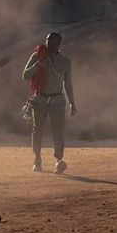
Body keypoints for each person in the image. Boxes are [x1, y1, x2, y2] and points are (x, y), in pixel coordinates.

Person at [21, 32, 76, 173]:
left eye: (53, 42)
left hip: (57, 100)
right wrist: (38, 66)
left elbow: (68, 84)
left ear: (59, 44)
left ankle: (59, 160)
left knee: (58, 131)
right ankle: (37, 160)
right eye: (48, 41)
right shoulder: (37, 56)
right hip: (39, 99)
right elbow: (25, 75)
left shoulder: (65, 61)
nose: (50, 44)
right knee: (37, 131)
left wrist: (72, 102)